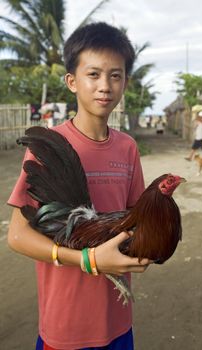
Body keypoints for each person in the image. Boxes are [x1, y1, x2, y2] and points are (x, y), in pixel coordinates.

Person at [7, 22, 152, 350]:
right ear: (72, 81)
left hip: (118, 320)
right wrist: (88, 260)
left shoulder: (127, 147)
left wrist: (147, 244)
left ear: (125, 82)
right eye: (94, 74)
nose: (105, 86)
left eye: (115, 75)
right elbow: (17, 236)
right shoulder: (51, 145)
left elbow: (135, 219)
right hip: (66, 324)